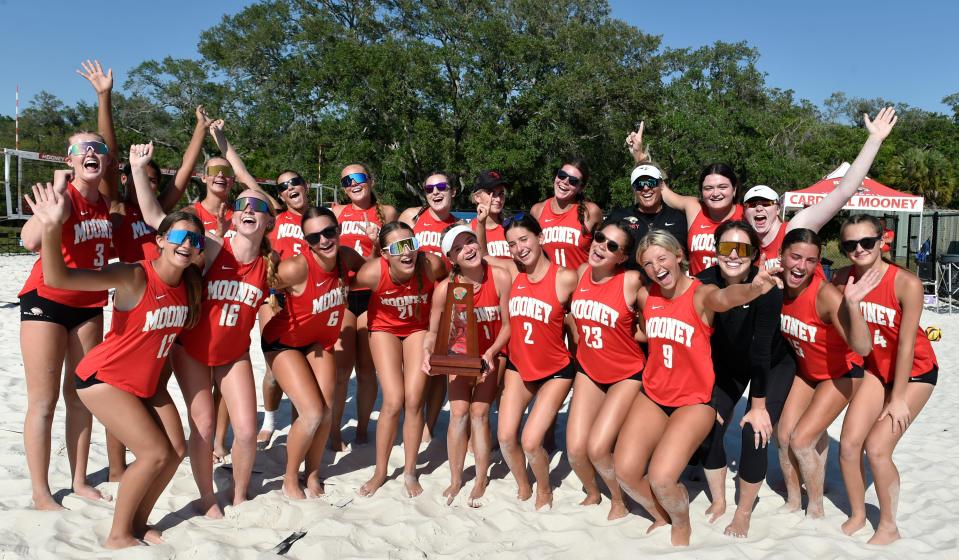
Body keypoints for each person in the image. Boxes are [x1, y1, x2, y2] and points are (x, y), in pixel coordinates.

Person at [26, 180, 202, 548]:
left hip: (147, 384)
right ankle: (118, 535)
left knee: (177, 451)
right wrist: (53, 227)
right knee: (154, 454)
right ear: (160, 240)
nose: (186, 244)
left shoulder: (191, 286)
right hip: (103, 379)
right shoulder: (133, 274)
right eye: (179, 236)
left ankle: (138, 523)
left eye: (195, 240)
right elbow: (59, 277)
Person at [132, 141, 275, 517]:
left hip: (233, 354)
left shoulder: (270, 265)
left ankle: (240, 494)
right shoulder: (212, 249)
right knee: (206, 427)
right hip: (192, 350)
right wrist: (137, 168)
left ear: (268, 221)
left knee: (245, 430)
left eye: (258, 207)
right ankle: (207, 497)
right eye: (242, 204)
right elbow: (153, 218)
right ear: (231, 217)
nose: (249, 209)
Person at [613, 230, 781, 547]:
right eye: (648, 263)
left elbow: (726, 298)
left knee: (663, 479)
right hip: (654, 395)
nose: (656, 267)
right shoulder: (649, 296)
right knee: (626, 472)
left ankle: (680, 523)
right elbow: (643, 332)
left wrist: (755, 288)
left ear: (679, 256)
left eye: (662, 258)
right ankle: (661, 516)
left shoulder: (701, 293)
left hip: (694, 401)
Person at [18, 133, 115, 509]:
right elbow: (28, 241)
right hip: (45, 301)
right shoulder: (62, 197)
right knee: (43, 401)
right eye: (82, 149)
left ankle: (78, 481)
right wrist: (50, 214)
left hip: (89, 305)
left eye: (99, 148)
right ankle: (41, 492)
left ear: (106, 161)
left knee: (81, 398)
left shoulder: (107, 206)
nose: (91, 152)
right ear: (70, 160)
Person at [833, 215, 937, 544]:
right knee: (849, 445)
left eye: (867, 242)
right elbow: (853, 339)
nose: (859, 249)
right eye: (850, 244)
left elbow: (907, 344)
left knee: (877, 448)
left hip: (915, 372)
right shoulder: (840, 279)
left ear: (882, 241)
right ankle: (858, 513)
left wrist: (898, 398)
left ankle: (889, 525)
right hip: (876, 370)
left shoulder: (906, 283)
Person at [695, 221, 795, 538]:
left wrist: (759, 406)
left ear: (754, 256)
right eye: (727, 248)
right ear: (715, 251)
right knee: (707, 423)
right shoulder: (704, 282)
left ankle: (744, 511)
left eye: (743, 249)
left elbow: (762, 349)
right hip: (728, 364)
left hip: (772, 363)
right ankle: (721, 499)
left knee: (755, 432)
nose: (734, 255)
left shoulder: (766, 286)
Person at [261, 206, 365, 499]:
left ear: (339, 230)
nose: (324, 240)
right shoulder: (297, 267)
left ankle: (314, 472)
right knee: (312, 411)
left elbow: (371, 270)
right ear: (306, 241)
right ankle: (290, 478)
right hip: (283, 342)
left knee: (328, 409)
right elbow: (258, 282)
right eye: (314, 237)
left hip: (318, 341)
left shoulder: (346, 258)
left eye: (329, 232)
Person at [776, 228, 876, 519]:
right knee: (783, 437)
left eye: (810, 260)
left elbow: (863, 347)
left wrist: (853, 305)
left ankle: (816, 509)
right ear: (782, 256)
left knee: (802, 440)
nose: (801, 266)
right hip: (808, 372)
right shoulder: (774, 284)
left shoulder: (825, 295)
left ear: (818, 262)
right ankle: (794, 500)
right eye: (795, 257)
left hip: (842, 373)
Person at [488, 214, 577, 510]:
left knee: (530, 441)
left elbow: (588, 308)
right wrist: (478, 223)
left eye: (524, 239)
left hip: (556, 371)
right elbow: (478, 254)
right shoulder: (514, 274)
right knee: (504, 437)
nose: (518, 248)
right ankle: (524, 484)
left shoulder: (564, 277)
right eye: (512, 244)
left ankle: (546, 490)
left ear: (540, 238)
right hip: (519, 366)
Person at [740, 107, 899, 268]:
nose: (759, 208)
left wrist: (874, 140)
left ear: (778, 208)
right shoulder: (743, 247)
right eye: (752, 205)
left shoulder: (795, 228)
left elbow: (844, 191)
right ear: (744, 212)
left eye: (766, 203)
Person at [354, 222, 445, 497]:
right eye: (397, 248)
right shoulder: (372, 272)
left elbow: (458, 278)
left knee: (415, 399)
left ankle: (409, 470)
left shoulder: (431, 264)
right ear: (385, 254)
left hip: (418, 328)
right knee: (393, 400)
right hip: (383, 328)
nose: (407, 253)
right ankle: (380, 471)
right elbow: (341, 289)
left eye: (411, 244)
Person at [422, 225, 511, 506]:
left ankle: (482, 477)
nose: (468, 249)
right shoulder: (446, 289)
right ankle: (456, 479)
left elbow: (509, 325)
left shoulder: (499, 276)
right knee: (458, 413)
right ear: (451, 258)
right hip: (461, 355)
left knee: (479, 413)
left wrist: (492, 353)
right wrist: (427, 352)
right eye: (459, 248)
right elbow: (433, 332)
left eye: (470, 241)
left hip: (494, 353)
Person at [565, 220, 645, 520]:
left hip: (626, 372)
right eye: (600, 238)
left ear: (622, 257)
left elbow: (651, 329)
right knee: (575, 450)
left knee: (598, 449)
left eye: (612, 246)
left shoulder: (631, 280)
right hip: (589, 369)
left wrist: (628, 334)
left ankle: (619, 500)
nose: (601, 247)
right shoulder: (582, 272)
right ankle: (593, 491)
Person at [333, 164, 398, 447]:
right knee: (341, 370)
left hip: (373, 295)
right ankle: (334, 431)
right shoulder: (337, 213)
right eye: (347, 180)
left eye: (358, 177)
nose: (353, 183)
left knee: (367, 369)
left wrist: (373, 247)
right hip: (343, 296)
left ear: (371, 180)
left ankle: (361, 429)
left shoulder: (388, 212)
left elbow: (387, 259)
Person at [626, 122, 742, 275]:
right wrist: (639, 154)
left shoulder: (747, 214)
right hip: (698, 294)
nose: (715, 193)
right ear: (701, 191)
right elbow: (661, 188)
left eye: (722, 187)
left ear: (734, 190)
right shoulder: (694, 208)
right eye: (708, 188)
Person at [399, 172, 458, 444]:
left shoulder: (459, 227)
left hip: (441, 307)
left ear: (453, 191)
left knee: (436, 372)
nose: (435, 192)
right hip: (410, 303)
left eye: (441, 187)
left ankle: (428, 424)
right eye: (429, 188)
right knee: (409, 371)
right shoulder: (411, 217)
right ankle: (414, 416)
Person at [256, 169, 310, 445]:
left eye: (295, 182)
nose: (290, 188)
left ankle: (300, 426)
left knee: (306, 368)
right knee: (274, 371)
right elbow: (247, 180)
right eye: (282, 187)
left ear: (306, 185)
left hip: (311, 301)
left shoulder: (320, 217)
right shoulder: (274, 219)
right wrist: (224, 146)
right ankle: (269, 421)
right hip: (276, 297)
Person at [606, 162, 688, 270]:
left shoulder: (678, 218)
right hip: (628, 284)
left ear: (661, 185)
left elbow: (684, 258)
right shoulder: (619, 216)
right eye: (639, 184)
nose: (645, 188)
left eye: (651, 182)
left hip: (665, 283)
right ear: (634, 188)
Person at [530, 159, 602, 269]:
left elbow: (603, 251)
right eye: (562, 175)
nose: (565, 182)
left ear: (580, 188)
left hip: (579, 284)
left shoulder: (591, 212)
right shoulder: (537, 210)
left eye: (573, 181)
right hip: (549, 284)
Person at [470, 170, 512, 260]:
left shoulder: (512, 226)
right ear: (477, 197)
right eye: (491, 194)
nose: (498, 199)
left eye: (501, 194)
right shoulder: (468, 231)